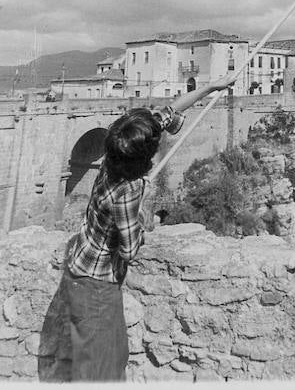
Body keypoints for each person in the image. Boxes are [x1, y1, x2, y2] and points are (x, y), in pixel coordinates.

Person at [61, 75, 235, 381]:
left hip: (85, 274)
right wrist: (148, 222)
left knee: (112, 360)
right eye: (156, 144)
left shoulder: (119, 149)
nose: (160, 140)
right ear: (146, 155)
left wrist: (209, 87)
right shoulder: (127, 190)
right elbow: (129, 249)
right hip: (96, 286)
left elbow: (167, 111)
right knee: (98, 372)